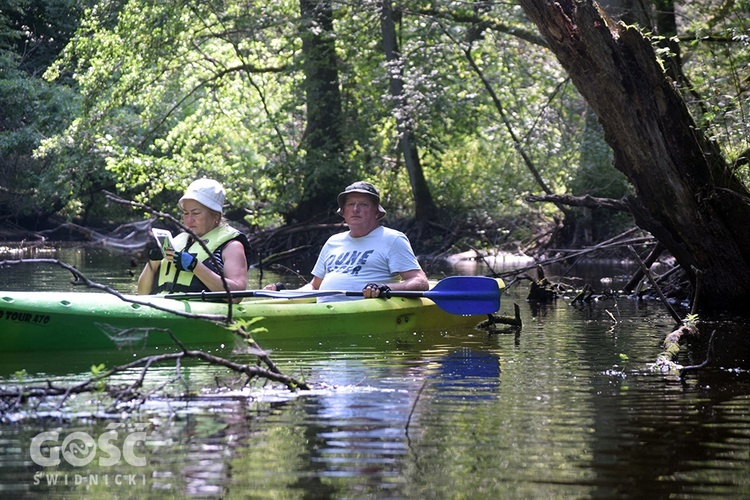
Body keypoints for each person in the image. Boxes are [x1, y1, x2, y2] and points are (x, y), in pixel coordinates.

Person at [266, 181, 428, 299]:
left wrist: (386, 288)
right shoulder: (332, 242)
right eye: (351, 204)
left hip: (367, 312)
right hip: (325, 314)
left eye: (363, 204)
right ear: (343, 212)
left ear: (376, 212)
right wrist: (284, 293)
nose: (356, 209)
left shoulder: (393, 239)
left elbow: (420, 282)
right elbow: (315, 286)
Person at [137, 178, 252, 301]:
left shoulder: (232, 247)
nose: (188, 220)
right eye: (185, 213)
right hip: (161, 306)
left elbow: (237, 296)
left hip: (203, 312)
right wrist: (153, 262)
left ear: (216, 216)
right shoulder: (176, 242)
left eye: (196, 213)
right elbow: (142, 293)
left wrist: (195, 266)